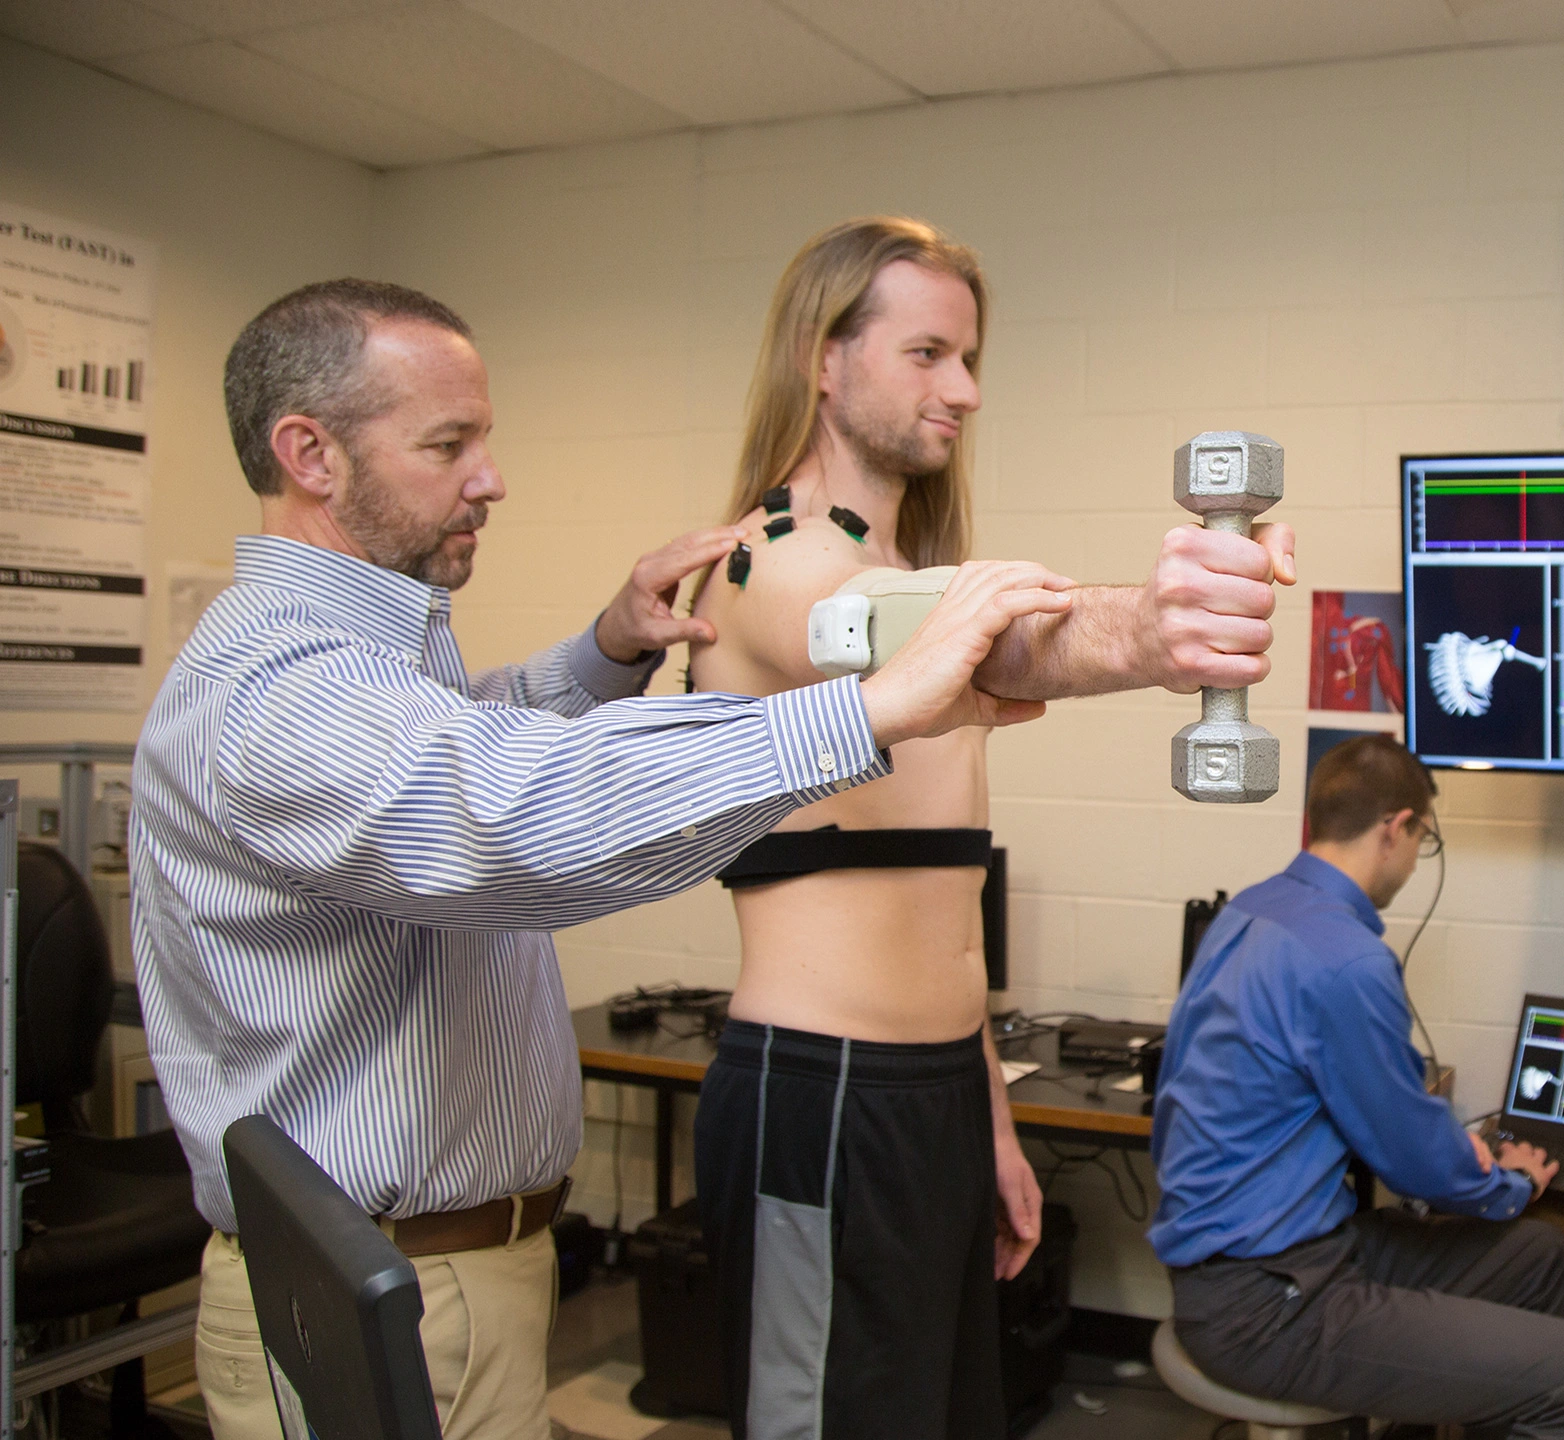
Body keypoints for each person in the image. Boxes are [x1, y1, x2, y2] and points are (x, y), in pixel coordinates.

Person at [128, 277, 1230, 1440]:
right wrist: (1117, 640)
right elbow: (515, 812)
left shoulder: (365, 663)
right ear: (310, 452)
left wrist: (601, 656)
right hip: (379, 1283)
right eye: (448, 444)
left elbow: (459, 750)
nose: (491, 477)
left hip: (465, 1269)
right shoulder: (276, 686)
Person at [682, 215, 1293, 1440]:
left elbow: (938, 918)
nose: (962, 390)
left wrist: (992, 1124)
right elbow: (990, 636)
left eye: (970, 361)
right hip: (824, 1098)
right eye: (926, 354)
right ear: (822, 355)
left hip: (937, 1101)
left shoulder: (908, 575)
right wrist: (1149, 631)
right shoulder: (773, 570)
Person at [1148, 735, 1564, 1440]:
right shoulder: (1346, 960)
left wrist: (1463, 1161)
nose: (1415, 860)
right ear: (1396, 828)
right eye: (1423, 840)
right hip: (1271, 1304)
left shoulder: (1252, 911)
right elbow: (1410, 1156)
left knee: (1539, 1256)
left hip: (1278, 1261)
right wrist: (1509, 1181)